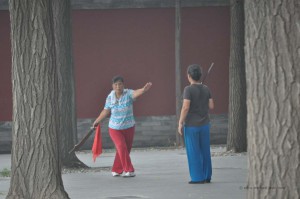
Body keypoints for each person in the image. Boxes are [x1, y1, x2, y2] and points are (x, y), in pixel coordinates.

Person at [93, 76, 152, 177]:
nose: (118, 86)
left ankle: (116, 169)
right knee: (121, 146)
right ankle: (129, 170)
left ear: (123, 85)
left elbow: (135, 93)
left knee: (125, 149)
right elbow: (106, 111)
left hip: (129, 127)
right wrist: (97, 121)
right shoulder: (110, 97)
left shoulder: (128, 93)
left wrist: (143, 90)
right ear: (112, 86)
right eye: (115, 84)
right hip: (114, 128)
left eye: (120, 84)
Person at [178, 64, 214, 184]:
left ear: (189, 76)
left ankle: (197, 178)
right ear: (200, 76)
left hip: (192, 126)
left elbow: (185, 107)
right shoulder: (206, 88)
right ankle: (207, 176)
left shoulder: (188, 89)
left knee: (193, 151)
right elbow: (211, 106)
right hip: (205, 124)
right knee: (205, 150)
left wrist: (180, 122)